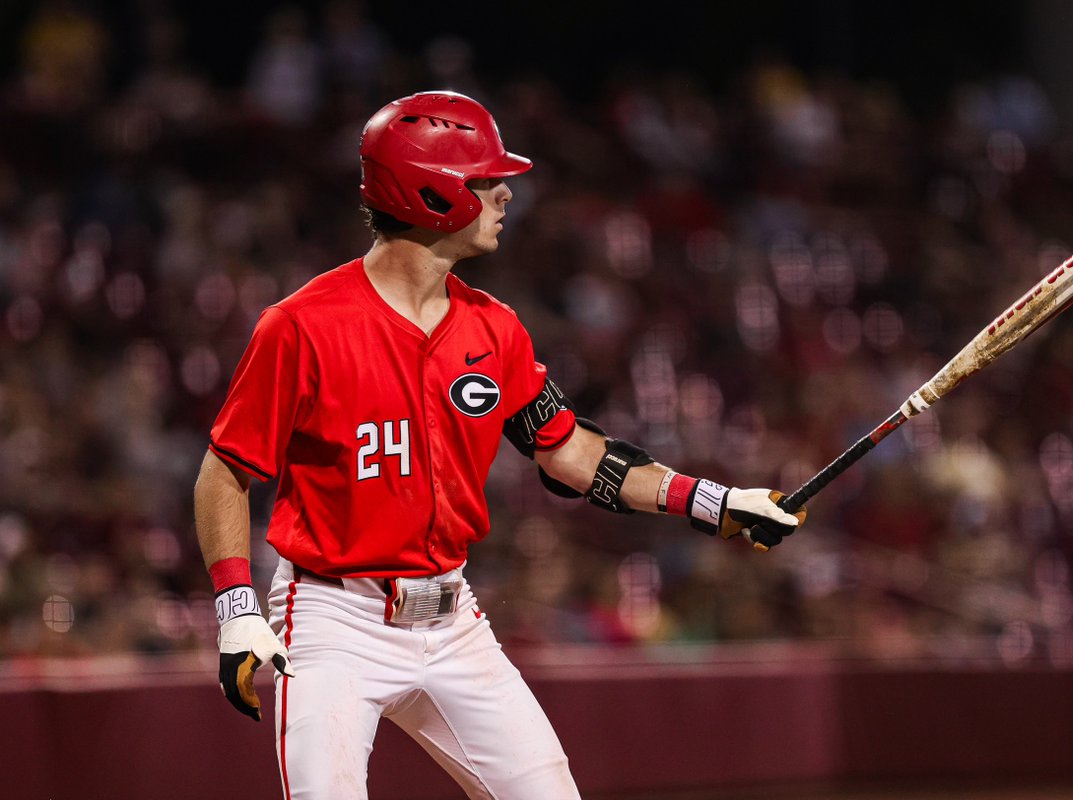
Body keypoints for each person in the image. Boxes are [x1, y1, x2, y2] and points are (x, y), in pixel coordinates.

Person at [193, 90, 806, 800]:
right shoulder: (300, 326)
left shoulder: (497, 330)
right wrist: (237, 608)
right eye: (485, 179)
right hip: (335, 617)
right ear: (432, 192)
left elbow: (570, 454)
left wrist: (717, 502)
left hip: (453, 621)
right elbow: (224, 474)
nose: (506, 193)